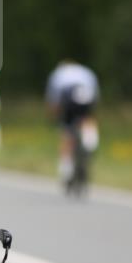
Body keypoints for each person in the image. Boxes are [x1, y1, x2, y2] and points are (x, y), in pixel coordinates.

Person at [45, 59, 99, 195]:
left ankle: (66, 169)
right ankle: (90, 140)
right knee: (87, 119)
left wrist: (55, 118)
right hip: (87, 95)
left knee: (67, 134)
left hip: (69, 97)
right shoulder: (86, 71)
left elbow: (54, 100)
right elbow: (96, 98)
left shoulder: (57, 74)